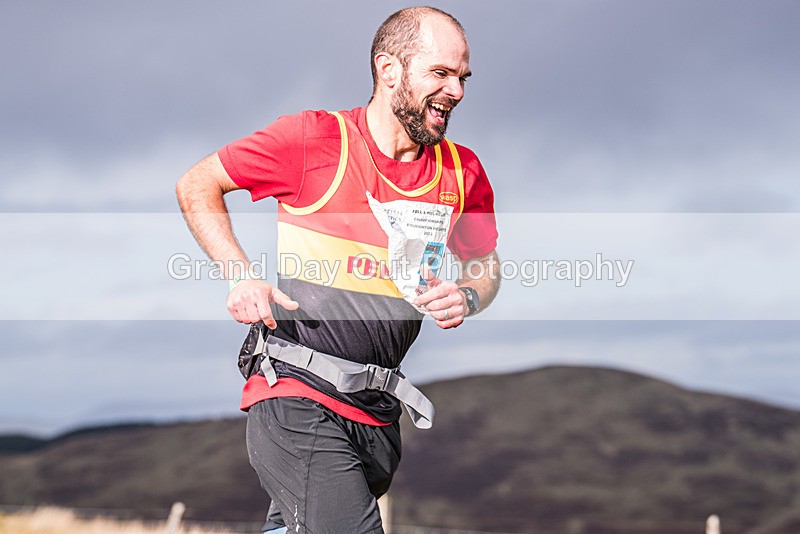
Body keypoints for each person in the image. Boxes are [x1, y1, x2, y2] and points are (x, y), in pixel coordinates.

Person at [176, 6, 500, 533]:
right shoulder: (315, 140)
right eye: (440, 73)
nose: (457, 91)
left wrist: (467, 296)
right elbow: (197, 184)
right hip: (295, 394)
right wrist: (239, 274)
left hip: (377, 412)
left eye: (462, 77)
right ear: (389, 69)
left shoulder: (462, 171)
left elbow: (486, 267)